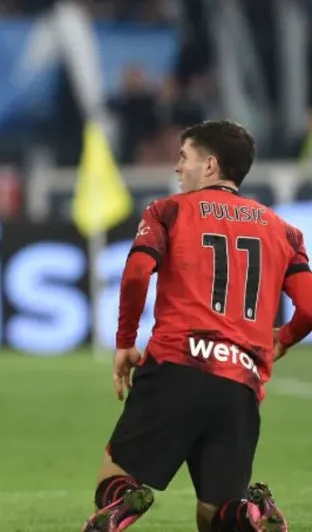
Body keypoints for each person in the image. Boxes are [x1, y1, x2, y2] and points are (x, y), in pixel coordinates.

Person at [85, 120, 297, 532]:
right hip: (241, 380)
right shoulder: (283, 230)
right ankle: (251, 512)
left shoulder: (168, 211)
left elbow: (135, 275)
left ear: (210, 165)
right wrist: (282, 338)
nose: (178, 168)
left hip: (176, 365)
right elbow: (307, 306)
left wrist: (126, 341)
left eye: (184, 158)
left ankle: (126, 500)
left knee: (114, 475)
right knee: (218, 516)